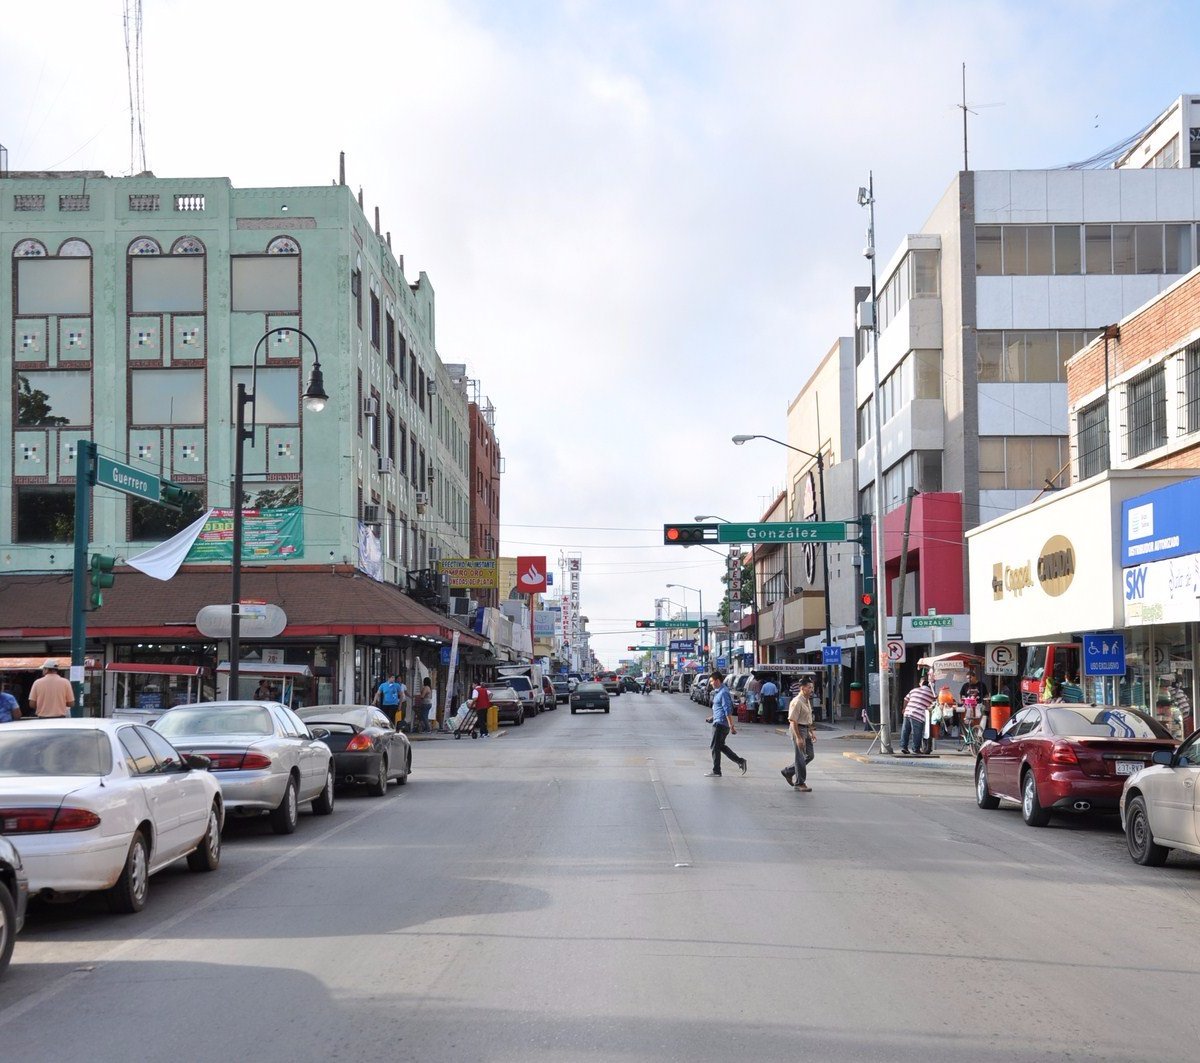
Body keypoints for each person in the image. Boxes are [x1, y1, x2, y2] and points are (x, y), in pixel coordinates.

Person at [704, 671, 747, 777]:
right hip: (718, 721)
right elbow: (721, 709)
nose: (710, 684)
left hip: (720, 725)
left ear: (717, 681)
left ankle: (716, 771)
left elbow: (728, 710)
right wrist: (712, 717)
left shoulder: (723, 692)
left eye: (711, 681)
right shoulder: (719, 692)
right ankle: (740, 761)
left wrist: (731, 726)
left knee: (714, 747)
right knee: (720, 746)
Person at [781, 675, 816, 791]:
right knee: (800, 757)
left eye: (812, 687)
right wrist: (799, 738)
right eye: (809, 687)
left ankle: (788, 771)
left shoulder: (807, 700)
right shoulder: (796, 701)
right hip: (798, 729)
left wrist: (811, 731)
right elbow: (793, 720)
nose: (812, 690)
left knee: (810, 755)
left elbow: (808, 717)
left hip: (806, 728)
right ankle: (800, 783)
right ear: (803, 688)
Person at [900, 673, 935, 755]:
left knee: (905, 731)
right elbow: (934, 704)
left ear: (921, 684)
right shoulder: (931, 693)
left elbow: (906, 699)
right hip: (917, 714)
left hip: (907, 712)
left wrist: (904, 709)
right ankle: (915, 749)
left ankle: (903, 747)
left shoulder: (914, 690)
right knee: (917, 732)